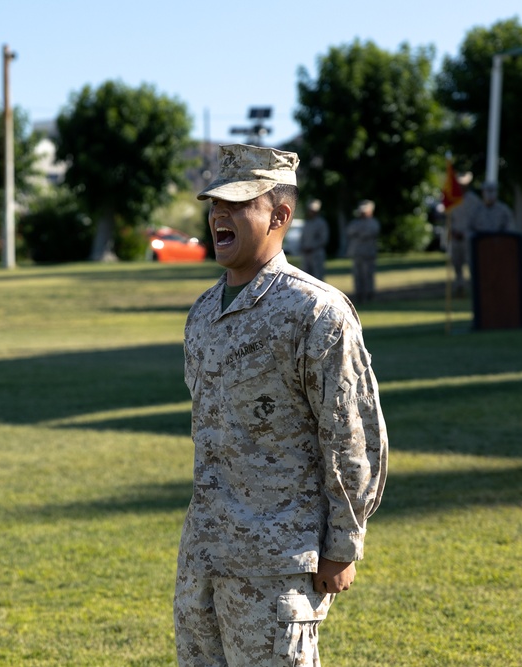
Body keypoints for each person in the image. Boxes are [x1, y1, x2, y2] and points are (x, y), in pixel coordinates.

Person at [174, 143, 388, 667]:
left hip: (279, 567)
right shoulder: (202, 313)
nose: (219, 215)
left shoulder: (316, 312)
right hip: (203, 559)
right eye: (215, 204)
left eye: (238, 204)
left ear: (280, 215)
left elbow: (352, 434)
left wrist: (343, 544)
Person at [448, 173, 481, 295]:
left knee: (472, 263)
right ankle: (459, 287)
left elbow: (478, 220)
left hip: (469, 236)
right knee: (456, 264)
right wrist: (452, 231)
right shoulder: (452, 199)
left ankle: (475, 288)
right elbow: (448, 218)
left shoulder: (474, 201)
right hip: (455, 236)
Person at [346, 200, 380, 304]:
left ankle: (369, 294)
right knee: (358, 275)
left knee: (368, 275)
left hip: (368, 254)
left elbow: (370, 233)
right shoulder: (355, 222)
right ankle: (359, 294)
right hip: (357, 254)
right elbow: (349, 231)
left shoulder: (373, 222)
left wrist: (360, 233)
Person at [300, 199, 330, 279]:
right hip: (306, 254)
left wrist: (312, 247)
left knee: (318, 276)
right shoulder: (307, 223)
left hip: (317, 253)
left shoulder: (321, 223)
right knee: (306, 276)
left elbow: (324, 239)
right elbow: (303, 237)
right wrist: (302, 247)